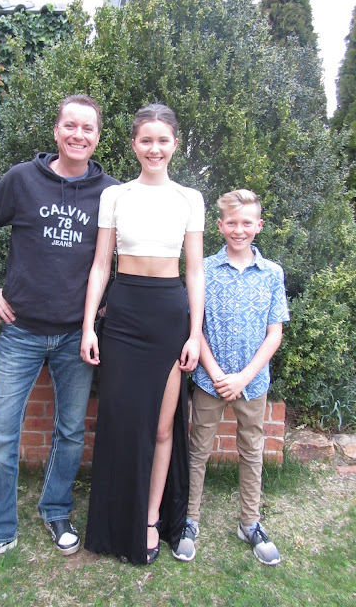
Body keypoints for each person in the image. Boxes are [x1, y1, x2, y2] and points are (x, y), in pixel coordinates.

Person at [0, 94, 120, 576]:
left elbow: (126, 254)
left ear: (98, 137)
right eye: (71, 126)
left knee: (70, 431)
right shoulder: (22, 179)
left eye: (88, 128)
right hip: (20, 331)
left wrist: (108, 302)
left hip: (76, 337)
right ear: (56, 130)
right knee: (1, 435)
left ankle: (56, 509)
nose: (78, 135)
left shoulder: (111, 193)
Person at [80, 104, 205, 565]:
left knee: (162, 426)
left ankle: (151, 517)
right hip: (124, 314)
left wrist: (194, 334)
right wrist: (89, 325)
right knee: (119, 421)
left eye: (163, 140)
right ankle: (116, 520)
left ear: (175, 144)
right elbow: (100, 265)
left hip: (169, 317)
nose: (155, 148)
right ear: (133, 144)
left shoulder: (190, 198)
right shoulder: (115, 196)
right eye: (146, 140)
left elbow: (195, 271)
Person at [183, 189, 290, 565]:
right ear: (220, 225)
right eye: (232, 222)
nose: (239, 230)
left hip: (253, 382)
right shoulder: (204, 270)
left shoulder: (272, 274)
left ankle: (250, 522)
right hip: (209, 379)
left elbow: (274, 334)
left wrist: (244, 377)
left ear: (258, 225)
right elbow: (196, 328)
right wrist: (215, 372)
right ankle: (189, 519)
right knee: (198, 449)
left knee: (252, 450)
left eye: (246, 223)